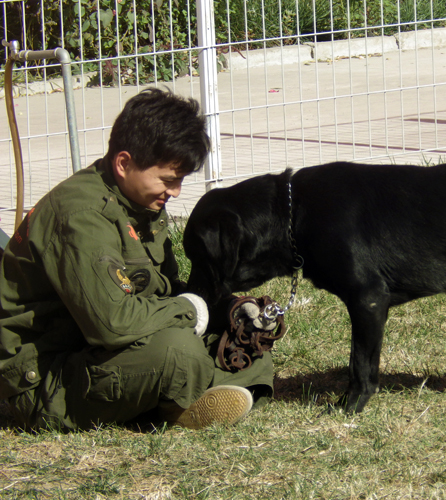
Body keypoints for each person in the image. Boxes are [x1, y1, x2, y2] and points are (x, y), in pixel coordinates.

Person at [0, 88, 274, 430]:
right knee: (177, 352)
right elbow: (112, 323)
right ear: (124, 163)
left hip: (105, 349)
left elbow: (163, 292)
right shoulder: (80, 217)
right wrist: (192, 310)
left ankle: (182, 394)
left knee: (247, 342)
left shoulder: (139, 205)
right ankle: (180, 403)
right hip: (47, 378)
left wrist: (227, 310)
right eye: (169, 179)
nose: (174, 192)